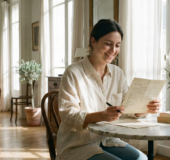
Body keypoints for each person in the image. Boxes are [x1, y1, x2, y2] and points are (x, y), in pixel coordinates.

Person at [56, 19, 161, 160]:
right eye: (108, 44)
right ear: (93, 41)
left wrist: (145, 108)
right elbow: (68, 116)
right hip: (77, 145)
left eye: (117, 45)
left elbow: (126, 108)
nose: (113, 50)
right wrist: (101, 115)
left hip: (107, 140)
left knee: (141, 159)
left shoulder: (117, 73)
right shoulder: (73, 72)